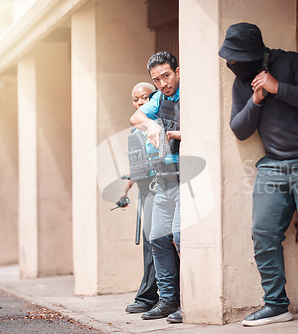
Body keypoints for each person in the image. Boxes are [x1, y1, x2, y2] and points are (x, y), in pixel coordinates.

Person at [219, 22, 298, 329]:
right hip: (273, 165)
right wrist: (257, 100)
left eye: (235, 59)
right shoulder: (242, 83)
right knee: (262, 232)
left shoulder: (293, 63)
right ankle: (275, 305)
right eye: (228, 59)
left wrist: (278, 88)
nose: (230, 64)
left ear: (253, 54)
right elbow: (240, 129)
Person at [129, 51, 182, 324]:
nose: (162, 83)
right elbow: (135, 118)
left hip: (187, 178)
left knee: (180, 235)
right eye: (156, 79)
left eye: (166, 76)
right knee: (157, 238)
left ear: (177, 71)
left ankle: (189, 300)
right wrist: (151, 125)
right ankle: (167, 299)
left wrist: (175, 134)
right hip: (164, 179)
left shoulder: (189, 94)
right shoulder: (159, 99)